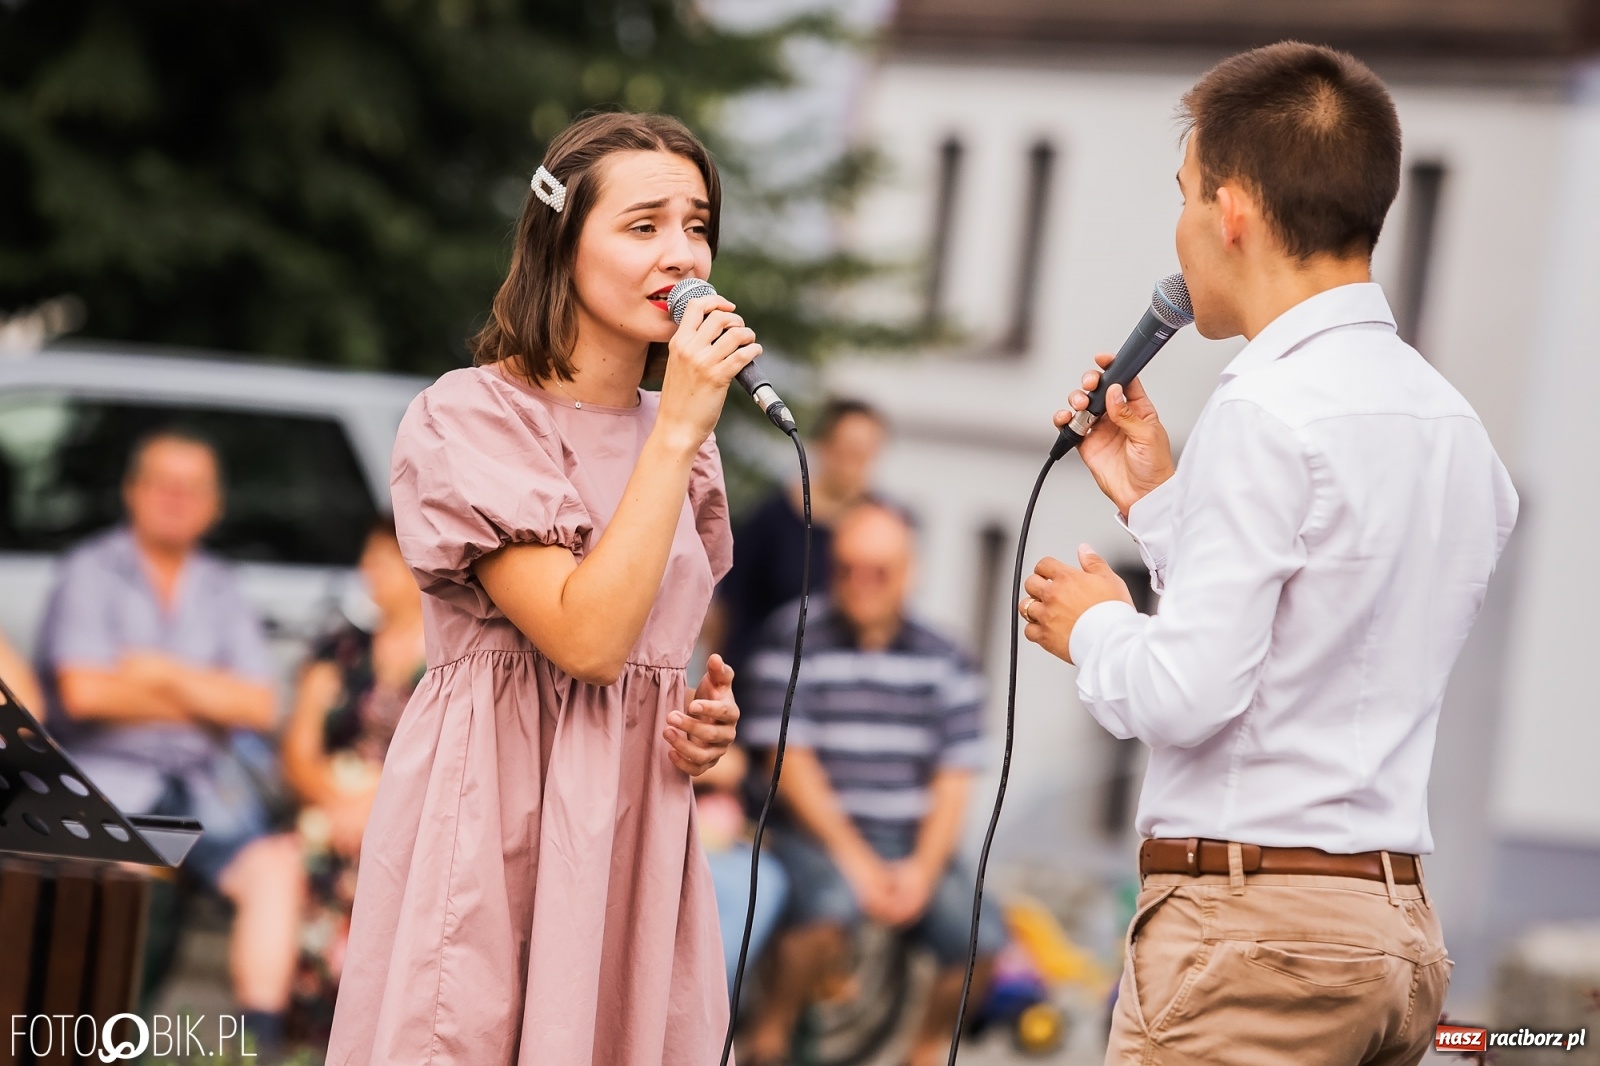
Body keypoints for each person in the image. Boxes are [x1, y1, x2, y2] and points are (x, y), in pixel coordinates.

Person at [1017, 43, 1519, 1065]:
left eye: (1185, 194)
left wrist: (1094, 625)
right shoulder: (1452, 425)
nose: (1180, 227)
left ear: (1231, 209)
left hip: (1251, 934)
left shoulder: (1264, 407)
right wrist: (1162, 504)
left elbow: (1189, 694)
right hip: (1392, 934)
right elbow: (1322, 638)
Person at [326, 112, 752, 1066]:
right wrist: (677, 429)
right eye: (643, 226)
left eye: (697, 225)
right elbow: (586, 638)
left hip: (633, 829)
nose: (682, 254)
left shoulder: (685, 438)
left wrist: (695, 720)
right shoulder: (466, 418)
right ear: (560, 241)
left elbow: (641, 654)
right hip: (501, 816)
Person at [35, 429, 303, 1042]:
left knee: (276, 869)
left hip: (207, 787)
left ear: (215, 505)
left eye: (194, 489)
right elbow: (86, 693)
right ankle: (100, 1045)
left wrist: (156, 672)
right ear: (133, 493)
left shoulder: (222, 585)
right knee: (129, 873)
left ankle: (254, 1049)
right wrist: (206, 697)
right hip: (109, 782)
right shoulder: (90, 570)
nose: (177, 499)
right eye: (164, 484)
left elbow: (258, 705)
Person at [742, 501, 1004, 1066]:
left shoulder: (949, 656)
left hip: (911, 841)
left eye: (878, 571)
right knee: (828, 909)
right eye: (847, 568)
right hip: (811, 838)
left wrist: (922, 871)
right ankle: (769, 1038)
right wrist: (857, 862)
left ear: (909, 573)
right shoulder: (793, 635)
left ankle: (926, 1051)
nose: (860, 584)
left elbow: (955, 778)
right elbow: (788, 764)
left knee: (982, 935)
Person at [280, 516, 426, 1041]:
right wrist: (337, 803)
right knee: (297, 863)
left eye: (385, 560)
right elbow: (298, 751)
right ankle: (304, 1033)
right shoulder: (339, 650)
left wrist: (377, 810)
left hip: (413, 814)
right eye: (368, 559)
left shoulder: (454, 658)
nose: (371, 571)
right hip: (332, 807)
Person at [704, 397, 886, 684]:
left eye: (865, 453)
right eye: (848, 451)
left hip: (841, 689)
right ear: (823, 446)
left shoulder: (883, 530)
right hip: (761, 685)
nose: (855, 464)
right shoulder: (769, 521)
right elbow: (724, 611)